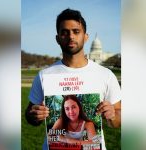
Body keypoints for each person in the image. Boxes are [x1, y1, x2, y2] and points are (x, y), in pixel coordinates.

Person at [25, 8, 121, 150]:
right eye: (64, 32)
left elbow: (118, 120)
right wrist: (34, 115)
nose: (71, 36)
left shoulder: (106, 75)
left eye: (76, 31)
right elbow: (29, 115)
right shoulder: (45, 75)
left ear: (86, 37)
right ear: (58, 38)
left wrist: (113, 114)